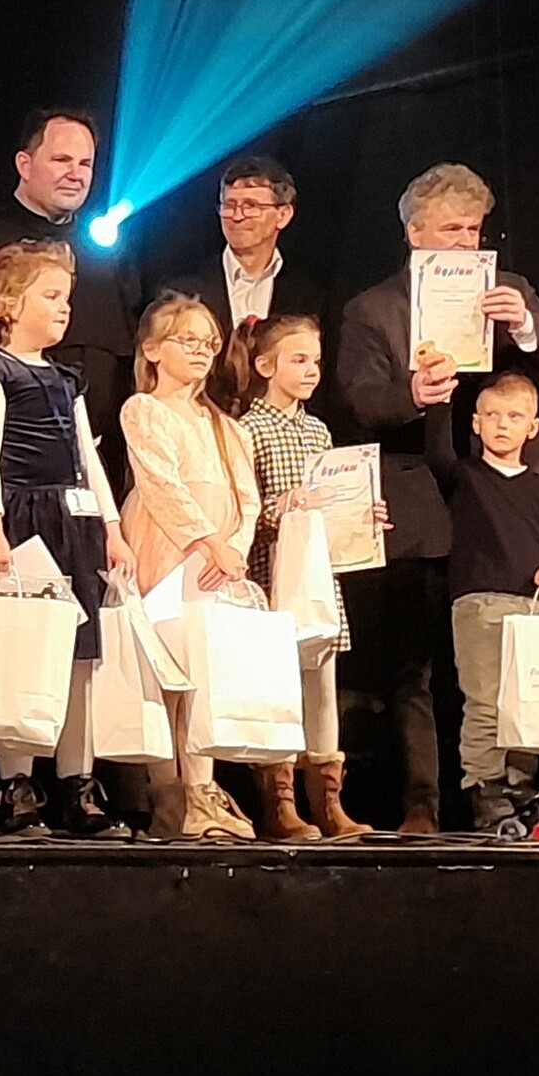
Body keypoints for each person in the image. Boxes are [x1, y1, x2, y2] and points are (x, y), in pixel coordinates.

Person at [336, 163, 539, 833]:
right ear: (414, 233)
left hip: (507, 506)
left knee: (510, 658)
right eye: (451, 230)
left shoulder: (506, 290)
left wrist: (524, 324)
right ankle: (422, 801)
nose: (466, 243)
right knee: (413, 665)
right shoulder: (373, 308)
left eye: (473, 230)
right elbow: (361, 399)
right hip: (419, 502)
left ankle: (506, 800)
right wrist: (412, 393)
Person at [0, 240, 133, 836]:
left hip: (72, 523)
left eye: (67, 297)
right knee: (23, 652)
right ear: (10, 302)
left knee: (81, 656)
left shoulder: (65, 380)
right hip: (21, 522)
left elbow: (88, 458)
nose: (64, 307)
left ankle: (77, 782)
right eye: (51, 295)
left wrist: (111, 526)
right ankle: (16, 784)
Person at [116, 295, 266, 842]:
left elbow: (247, 498)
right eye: (188, 340)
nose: (202, 351)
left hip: (216, 562)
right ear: (153, 349)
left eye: (209, 343)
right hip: (167, 547)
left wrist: (233, 550)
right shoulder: (145, 411)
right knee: (166, 671)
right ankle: (168, 796)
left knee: (206, 671)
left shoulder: (228, 427)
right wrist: (206, 542)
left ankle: (203, 790)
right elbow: (162, 485)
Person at [227, 314, 374, 839]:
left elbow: (334, 502)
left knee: (322, 682)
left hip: (316, 576)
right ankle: (279, 802)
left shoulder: (318, 430)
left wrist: (361, 516)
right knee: (279, 685)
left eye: (315, 360)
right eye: (298, 360)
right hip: (274, 573)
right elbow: (244, 508)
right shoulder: (248, 429)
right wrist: (284, 505)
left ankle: (329, 802)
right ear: (266, 366)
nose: (311, 370)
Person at [0, 109, 141, 481]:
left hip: (102, 457)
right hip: (16, 467)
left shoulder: (109, 250)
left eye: (85, 163)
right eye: (61, 160)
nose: (76, 173)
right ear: (24, 164)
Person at [425, 371, 539, 836]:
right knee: (485, 701)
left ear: (533, 427)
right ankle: (485, 789)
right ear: (476, 423)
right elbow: (438, 454)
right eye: (491, 415)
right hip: (479, 605)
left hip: (530, 610)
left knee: (525, 703)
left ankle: (519, 787)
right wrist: (439, 401)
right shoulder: (465, 477)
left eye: (514, 416)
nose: (502, 424)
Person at [159, 156, 325, 400]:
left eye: (251, 206)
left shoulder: (307, 298)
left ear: (283, 215)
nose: (237, 216)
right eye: (229, 205)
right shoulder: (182, 292)